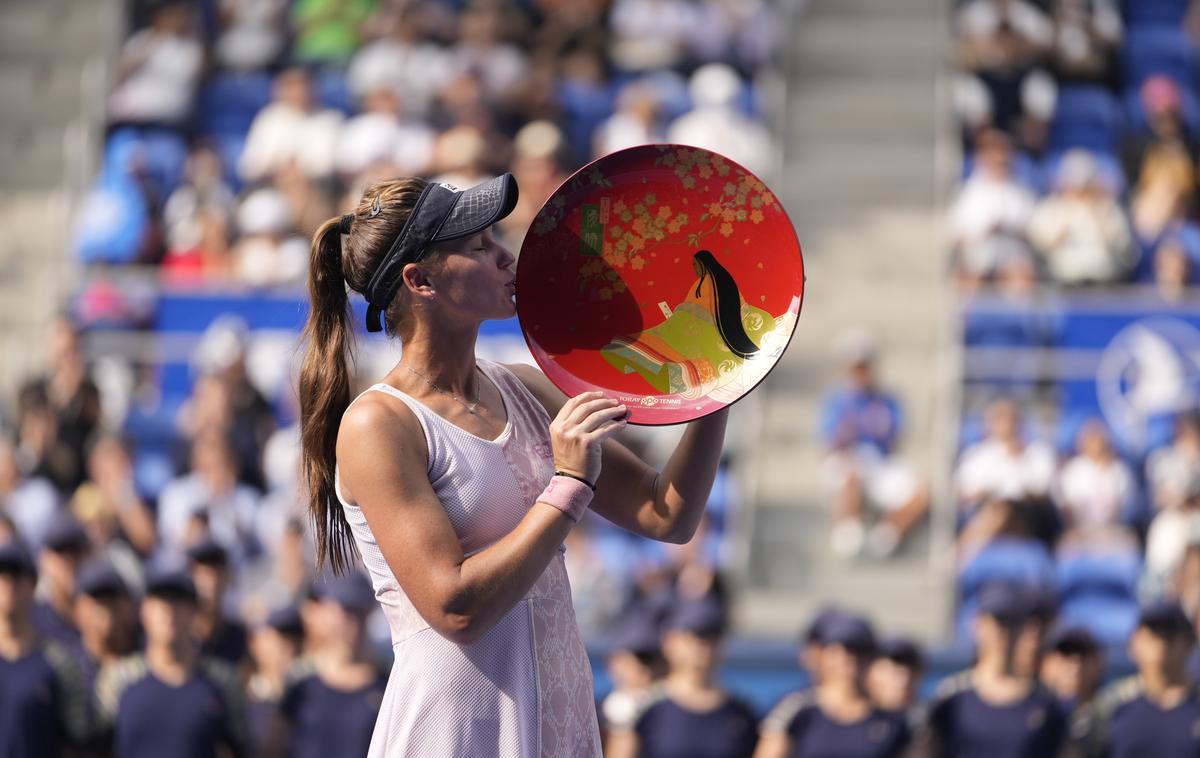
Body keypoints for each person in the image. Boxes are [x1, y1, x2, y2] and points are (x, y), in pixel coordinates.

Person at [296, 171, 729, 755]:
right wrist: (569, 485)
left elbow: (665, 515)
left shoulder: (526, 386)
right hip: (453, 735)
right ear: (419, 280)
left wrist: (717, 387)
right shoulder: (380, 423)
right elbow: (454, 608)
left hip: (557, 724)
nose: (506, 258)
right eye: (479, 247)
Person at [97, 563, 249, 757]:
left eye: (178, 600)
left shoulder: (222, 680)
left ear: (194, 611)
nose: (169, 610)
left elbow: (241, 747)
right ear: (143, 610)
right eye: (160, 599)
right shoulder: (118, 678)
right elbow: (96, 746)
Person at [914, 583, 1067, 757]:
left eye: (1014, 622)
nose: (1005, 632)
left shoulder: (1045, 702)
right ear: (978, 625)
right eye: (999, 621)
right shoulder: (953, 697)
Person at [608, 595, 758, 758]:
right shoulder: (642, 709)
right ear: (669, 641)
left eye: (712, 636)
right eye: (693, 635)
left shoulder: (741, 714)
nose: (702, 646)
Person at [263, 573, 388, 758]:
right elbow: (271, 748)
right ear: (323, 612)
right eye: (345, 610)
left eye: (359, 610)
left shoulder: (386, 688)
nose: (352, 621)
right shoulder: (301, 684)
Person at [756, 613, 910, 758]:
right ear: (821, 654)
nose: (850, 658)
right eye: (841, 649)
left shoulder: (891, 721)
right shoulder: (797, 709)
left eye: (860, 650)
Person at [1072, 601, 1200, 757]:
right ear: (1133, 644)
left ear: (1189, 644)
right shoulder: (1111, 706)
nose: (1160, 642)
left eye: (1169, 634)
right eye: (1152, 633)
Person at [0, 540, 89, 757]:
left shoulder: (59, 661)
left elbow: (76, 741)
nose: (9, 586)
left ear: (33, 585)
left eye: (17, 577)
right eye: (2, 577)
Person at [185, 538, 248, 666]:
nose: (211, 583)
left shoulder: (239, 638)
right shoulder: (177, 633)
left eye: (217, 573)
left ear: (228, 577)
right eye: (203, 574)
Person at [33, 511, 90, 647]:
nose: (70, 562)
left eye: (75, 551)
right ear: (44, 561)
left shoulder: (107, 613)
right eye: (60, 552)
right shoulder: (33, 623)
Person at [1038, 625, 1102, 715]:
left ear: (1097, 666)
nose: (1074, 668)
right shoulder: (1029, 718)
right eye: (1065, 656)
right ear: (1044, 666)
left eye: (1082, 659)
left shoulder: (1112, 718)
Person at [867, 636, 925, 715]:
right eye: (894, 670)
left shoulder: (929, 721)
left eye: (912, 671)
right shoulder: (851, 718)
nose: (904, 679)